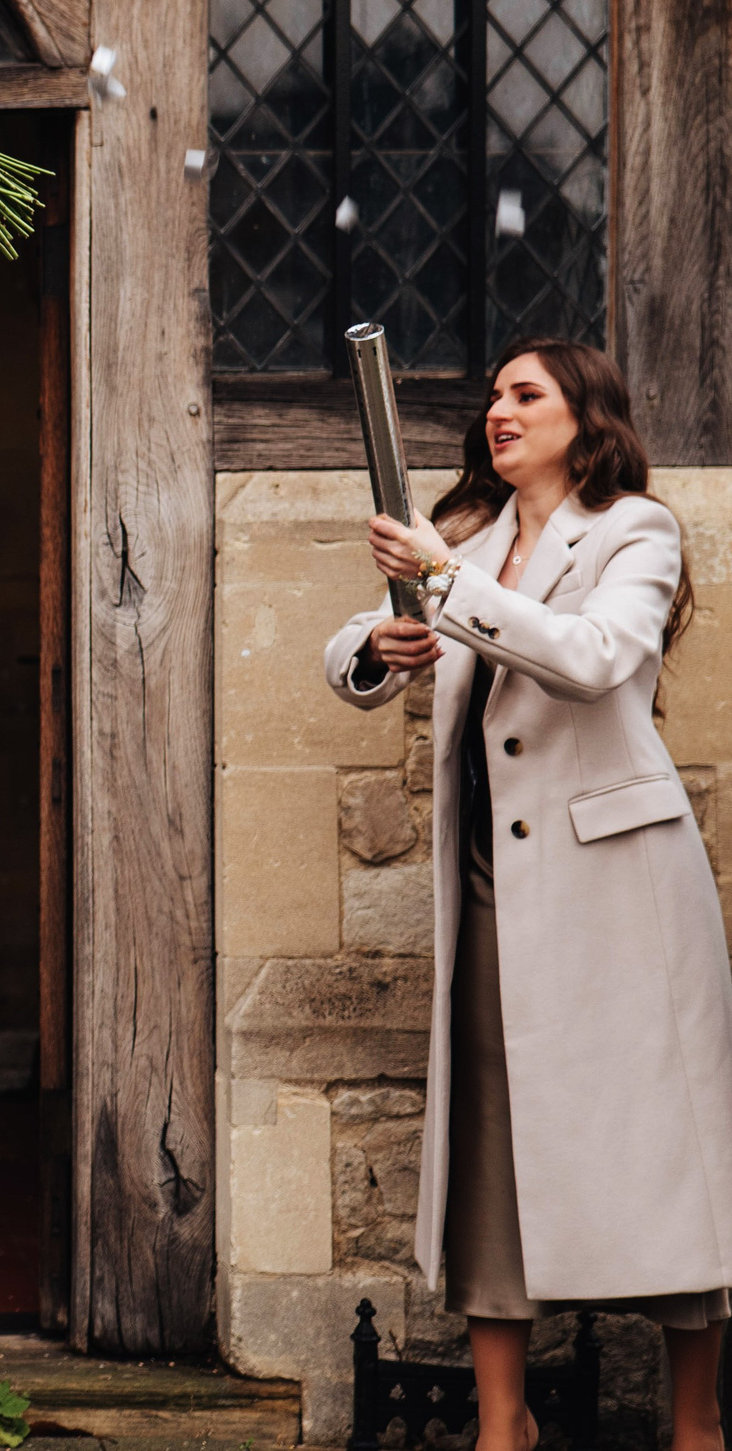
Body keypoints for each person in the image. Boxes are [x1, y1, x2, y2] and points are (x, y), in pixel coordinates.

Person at [323, 336, 732, 1451]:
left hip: (622, 896)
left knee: (667, 1149)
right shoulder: (471, 537)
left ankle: (694, 1427)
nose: (498, 411)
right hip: (492, 895)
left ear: (582, 415)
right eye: (493, 396)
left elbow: (598, 658)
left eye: (525, 394)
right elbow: (344, 655)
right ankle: (503, 1431)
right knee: (490, 1145)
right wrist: (383, 639)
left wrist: (446, 588)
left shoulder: (633, 529)